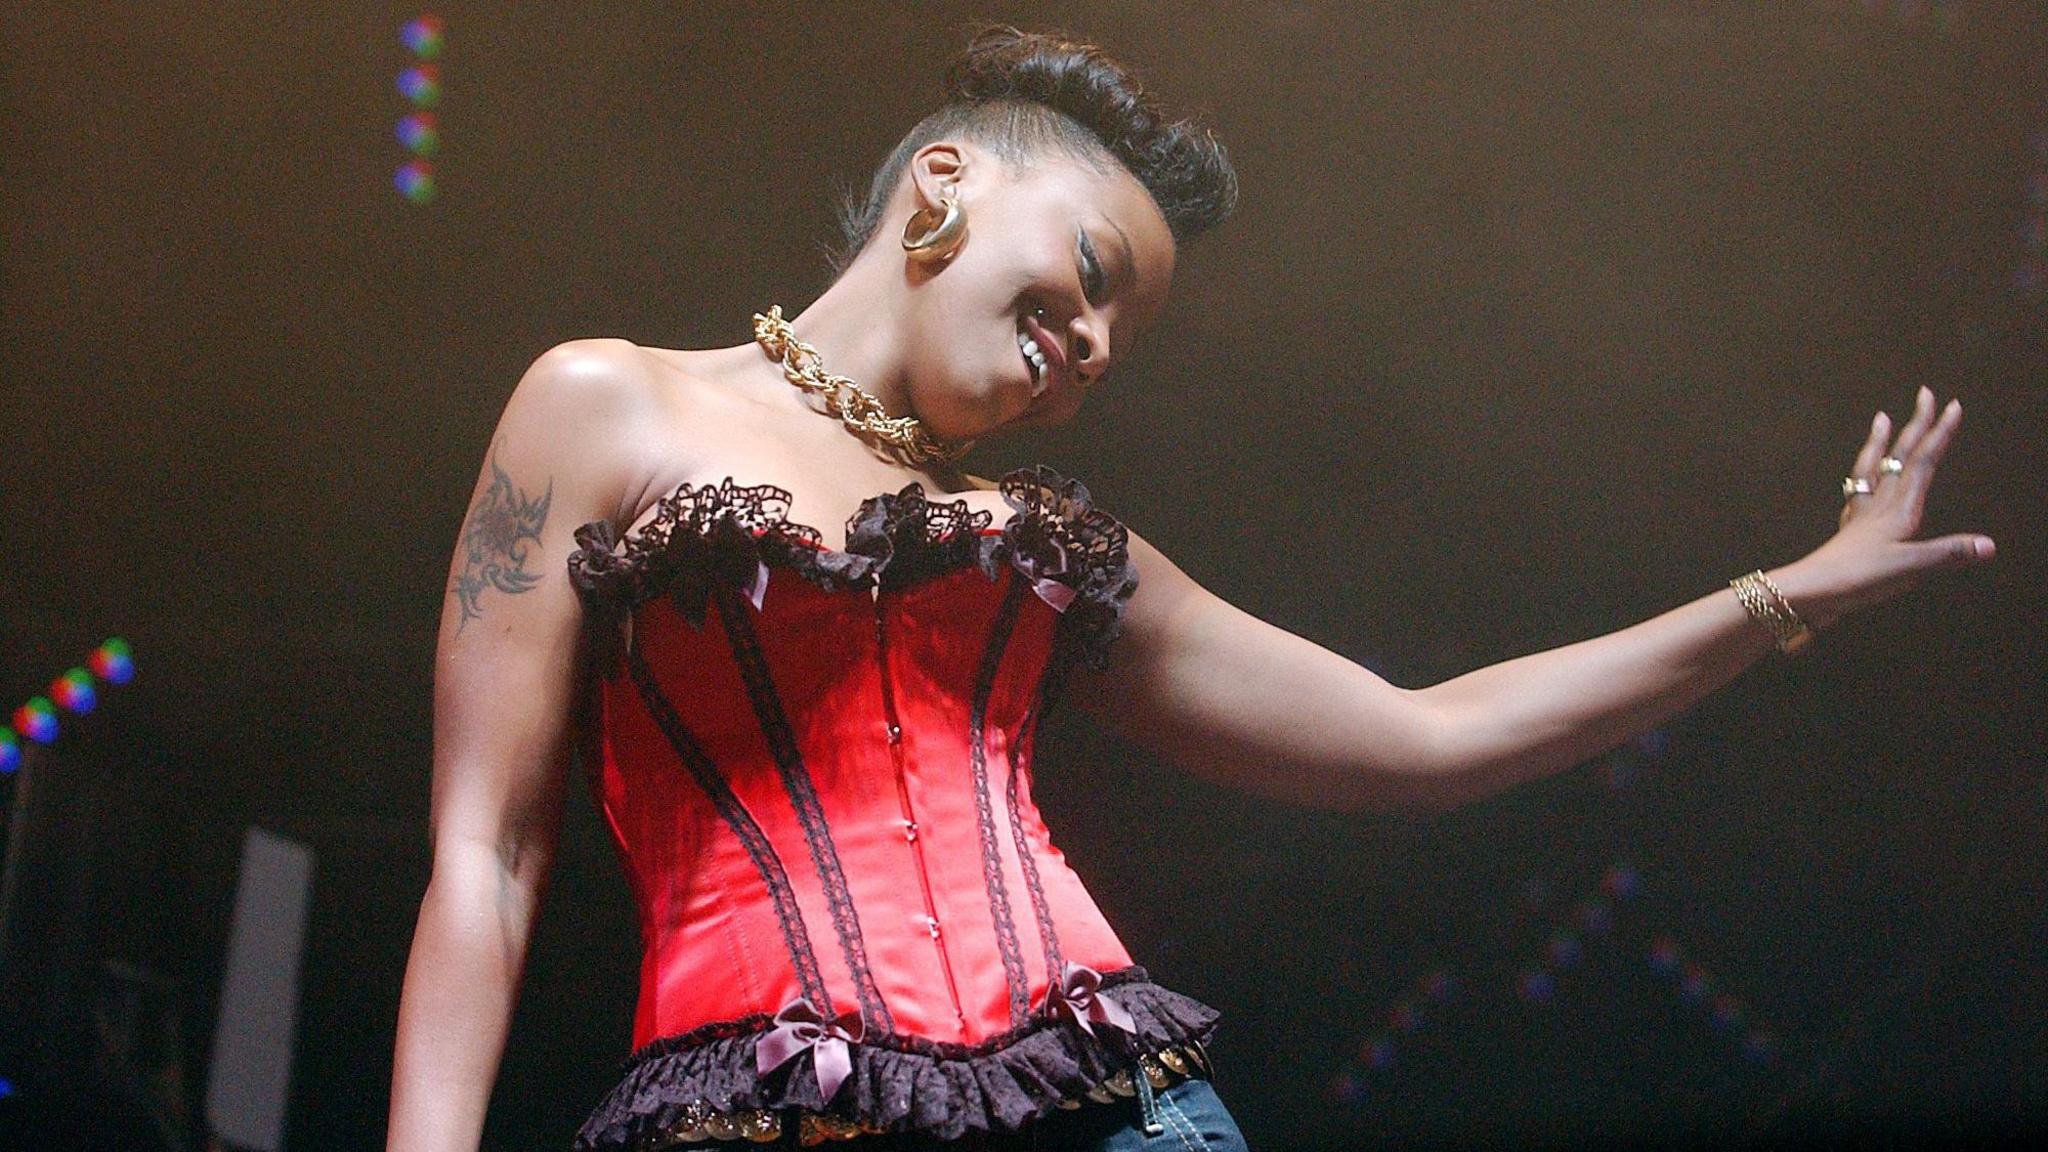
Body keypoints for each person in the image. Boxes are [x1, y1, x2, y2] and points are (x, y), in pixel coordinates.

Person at [384, 26, 1995, 1152]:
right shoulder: (606, 406)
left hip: (1117, 1119)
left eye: (1114, 343)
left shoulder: (1050, 548)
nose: (1086, 354)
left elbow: (1419, 737)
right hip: (754, 1109)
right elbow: (488, 853)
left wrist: (1788, 597)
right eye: (1090, 275)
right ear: (941, 189)